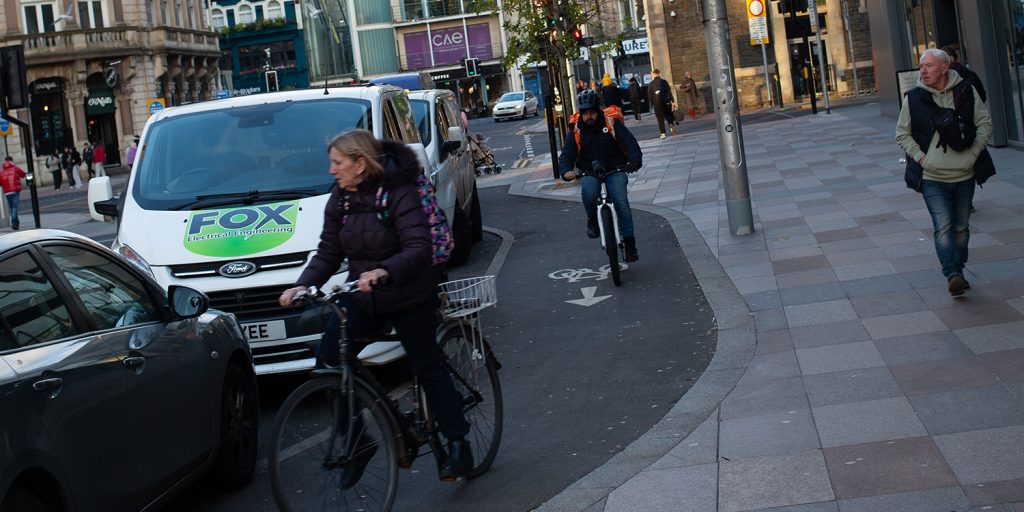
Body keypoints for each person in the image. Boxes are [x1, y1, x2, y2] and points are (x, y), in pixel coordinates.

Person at [277, 129, 474, 480]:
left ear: (360, 163)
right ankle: (357, 441)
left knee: (424, 361)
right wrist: (303, 284)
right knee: (330, 360)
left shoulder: (397, 191)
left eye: (337, 163)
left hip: (411, 290)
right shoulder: (342, 197)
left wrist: (385, 270)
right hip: (366, 296)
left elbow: (418, 247)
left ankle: (458, 441)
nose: (331, 171)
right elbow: (329, 250)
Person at [896, 48, 992, 297]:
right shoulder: (914, 98)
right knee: (943, 226)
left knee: (961, 227)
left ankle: (958, 268)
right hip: (932, 178)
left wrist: (972, 156)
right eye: (921, 66)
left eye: (928, 66)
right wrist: (922, 159)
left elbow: (984, 124)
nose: (923, 71)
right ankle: (953, 273)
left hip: (964, 175)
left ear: (944, 67)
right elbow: (901, 134)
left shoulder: (965, 91)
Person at [558, 89, 643, 262]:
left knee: (621, 202)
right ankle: (592, 219)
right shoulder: (577, 131)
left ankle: (630, 243)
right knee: (589, 192)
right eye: (585, 114)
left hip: (615, 168)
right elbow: (567, 154)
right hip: (589, 170)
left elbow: (630, 143)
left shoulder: (612, 123)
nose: (588, 117)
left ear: (598, 111)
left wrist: (634, 160)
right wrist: (566, 170)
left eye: (592, 113)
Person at [647, 68, 676, 139]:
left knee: (660, 119)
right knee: (668, 115)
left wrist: (652, 104)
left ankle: (663, 133)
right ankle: (671, 124)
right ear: (659, 73)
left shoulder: (651, 84)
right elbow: (669, 92)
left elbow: (649, 96)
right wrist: (673, 101)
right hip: (666, 102)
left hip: (657, 104)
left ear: (653, 74)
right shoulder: (664, 82)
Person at [1, 156, 26, 230]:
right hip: (15, 190)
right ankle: (14, 223)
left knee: (12, 207)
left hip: (7, 192)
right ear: (11, 161)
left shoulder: (2, 171)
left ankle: (16, 223)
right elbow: (23, 174)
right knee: (15, 207)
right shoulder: (15, 168)